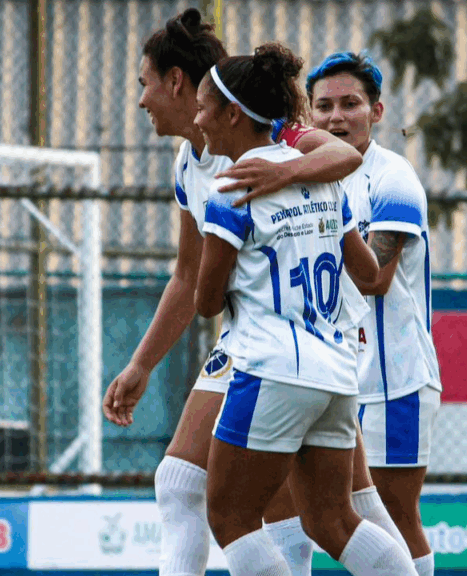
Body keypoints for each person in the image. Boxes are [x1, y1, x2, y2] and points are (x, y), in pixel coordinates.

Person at [101, 9, 363, 576]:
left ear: (176, 81)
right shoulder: (189, 162)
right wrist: (141, 365)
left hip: (303, 337)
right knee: (186, 483)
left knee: (334, 513)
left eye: (144, 83)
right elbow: (188, 274)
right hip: (262, 342)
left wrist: (282, 173)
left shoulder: (269, 136)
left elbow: (345, 155)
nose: (141, 100)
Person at [193, 42, 417, 576]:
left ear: (232, 114)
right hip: (335, 371)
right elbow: (367, 272)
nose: (198, 120)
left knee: (229, 518)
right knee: (333, 521)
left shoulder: (231, 187)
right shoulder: (319, 178)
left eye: (204, 108)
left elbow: (205, 302)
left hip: (271, 368)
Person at [306, 51, 444, 576]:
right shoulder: (309, 177)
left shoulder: (394, 181)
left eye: (350, 104)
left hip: (394, 383)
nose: (336, 117)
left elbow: (374, 280)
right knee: (305, 511)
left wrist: (326, 210)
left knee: (393, 516)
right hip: (331, 377)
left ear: (377, 112)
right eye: (324, 106)